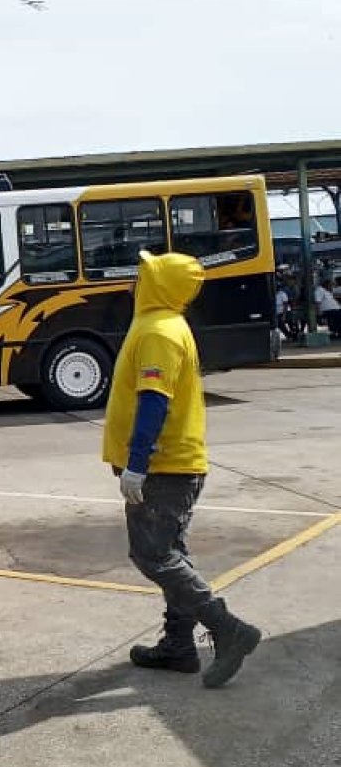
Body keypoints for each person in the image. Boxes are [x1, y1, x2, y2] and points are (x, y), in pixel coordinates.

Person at [102, 249, 261, 687]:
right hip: (171, 464)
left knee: (153, 555)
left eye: (145, 274)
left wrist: (137, 464)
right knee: (171, 552)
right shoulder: (160, 324)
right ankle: (178, 644)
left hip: (163, 467)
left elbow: (155, 401)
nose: (137, 280)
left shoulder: (158, 331)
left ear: (160, 285)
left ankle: (229, 629)